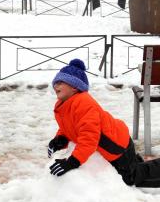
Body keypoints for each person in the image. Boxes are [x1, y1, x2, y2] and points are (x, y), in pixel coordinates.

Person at [48, 58, 160, 187]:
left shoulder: (84, 104)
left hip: (118, 145)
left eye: (61, 82)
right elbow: (69, 126)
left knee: (132, 178)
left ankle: (138, 165)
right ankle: (134, 161)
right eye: (55, 82)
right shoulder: (64, 105)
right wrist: (60, 139)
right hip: (111, 143)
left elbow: (89, 139)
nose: (56, 85)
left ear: (74, 87)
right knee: (128, 170)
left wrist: (72, 162)